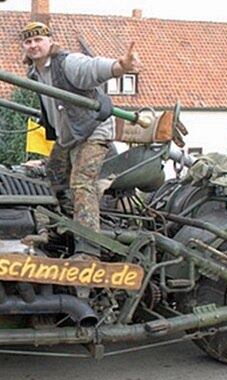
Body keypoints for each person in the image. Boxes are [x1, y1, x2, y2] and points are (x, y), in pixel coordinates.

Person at [22, 21, 140, 258]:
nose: (33, 45)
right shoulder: (35, 73)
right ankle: (60, 229)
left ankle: (88, 249)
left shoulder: (67, 63)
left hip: (93, 131)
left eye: (38, 40)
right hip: (70, 135)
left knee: (81, 182)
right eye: (28, 41)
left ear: (49, 41)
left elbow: (93, 69)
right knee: (50, 177)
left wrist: (120, 66)